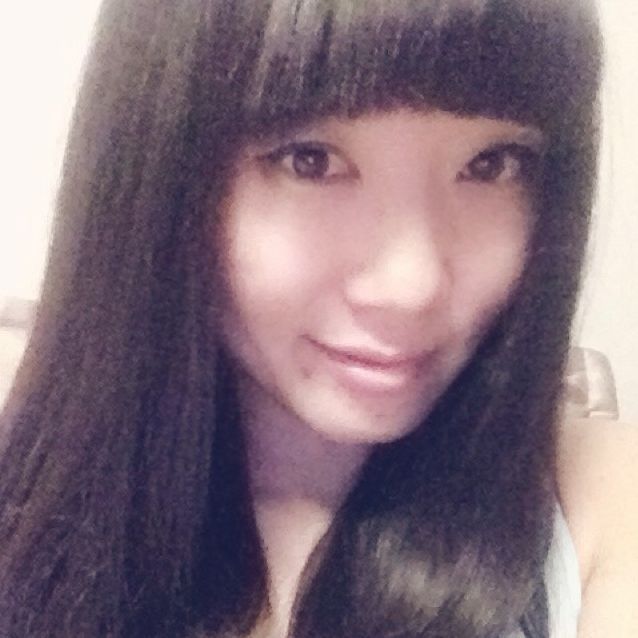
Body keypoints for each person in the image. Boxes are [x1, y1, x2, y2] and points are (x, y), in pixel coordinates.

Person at [0, 0, 636, 636]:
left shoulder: (602, 505)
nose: (412, 286)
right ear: (157, 167)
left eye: (491, 165)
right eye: (310, 160)